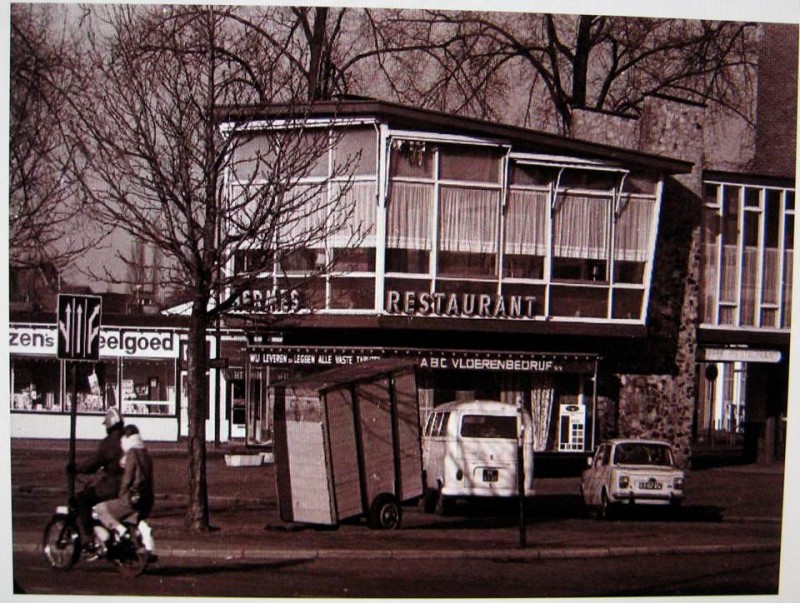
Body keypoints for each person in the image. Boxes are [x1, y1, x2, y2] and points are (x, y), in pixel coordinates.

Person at [68, 407, 125, 549]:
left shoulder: (109, 443)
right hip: (125, 484)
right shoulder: (125, 439)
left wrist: (77, 468)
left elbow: (94, 462)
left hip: (112, 485)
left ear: (110, 424)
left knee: (83, 499)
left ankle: (88, 536)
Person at [93, 424, 154, 542]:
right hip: (147, 500)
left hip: (131, 500)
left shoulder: (132, 453)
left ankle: (120, 531)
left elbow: (128, 478)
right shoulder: (146, 453)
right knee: (129, 516)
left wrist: (122, 493)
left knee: (100, 509)